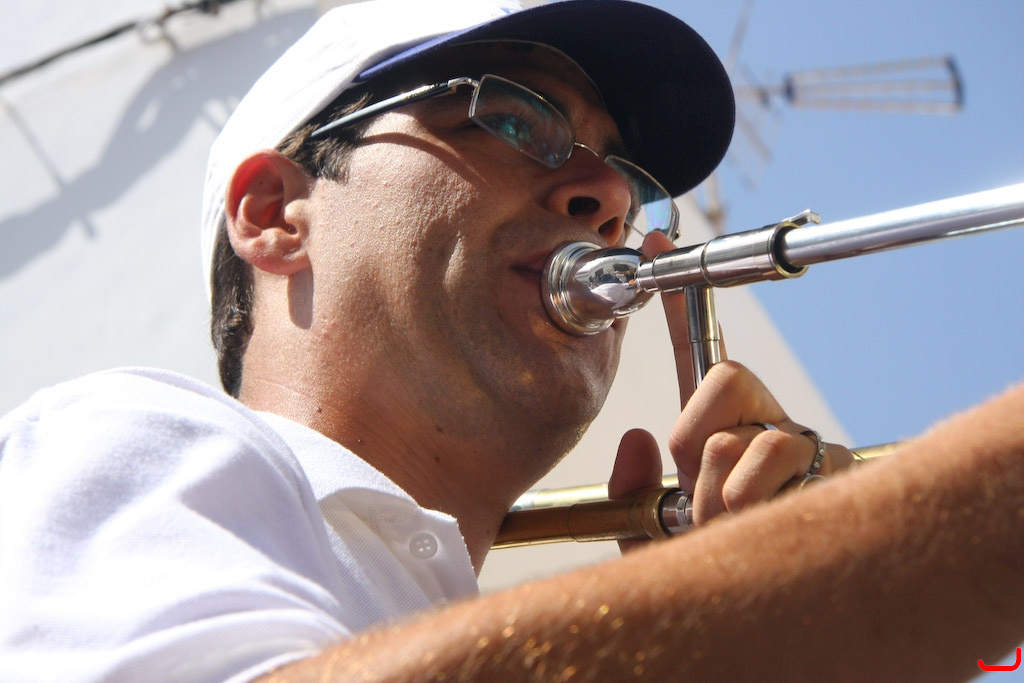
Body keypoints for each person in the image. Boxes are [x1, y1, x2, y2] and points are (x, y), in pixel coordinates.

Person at [1, 1, 1022, 681]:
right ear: (276, 213)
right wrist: (879, 557)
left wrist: (763, 603)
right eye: (513, 116)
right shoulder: (123, 441)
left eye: (630, 184)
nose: (608, 196)